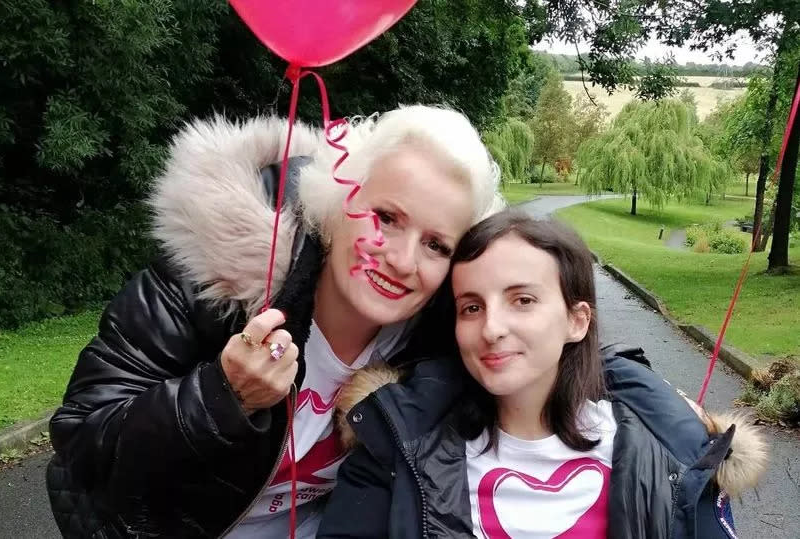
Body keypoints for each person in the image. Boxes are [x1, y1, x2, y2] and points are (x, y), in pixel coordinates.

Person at [46, 105, 505, 538]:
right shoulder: (214, 281)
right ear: (337, 200)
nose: (403, 261)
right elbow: (81, 438)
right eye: (386, 218)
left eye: (436, 246)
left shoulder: (433, 348)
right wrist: (221, 396)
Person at [319, 210, 768, 538]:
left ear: (578, 320)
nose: (492, 329)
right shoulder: (394, 446)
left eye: (523, 301)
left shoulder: (670, 454)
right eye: (471, 307)